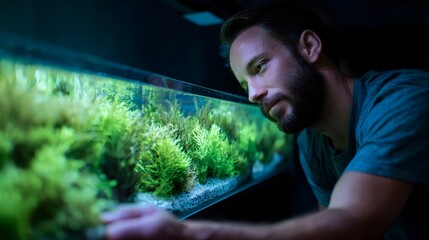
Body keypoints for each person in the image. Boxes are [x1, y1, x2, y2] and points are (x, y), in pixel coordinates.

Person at [100, 2, 429, 239]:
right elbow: (330, 224)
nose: (253, 95)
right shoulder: (311, 141)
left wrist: (188, 233)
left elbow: (353, 221)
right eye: (244, 85)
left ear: (310, 46)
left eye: (260, 67)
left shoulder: (405, 99)